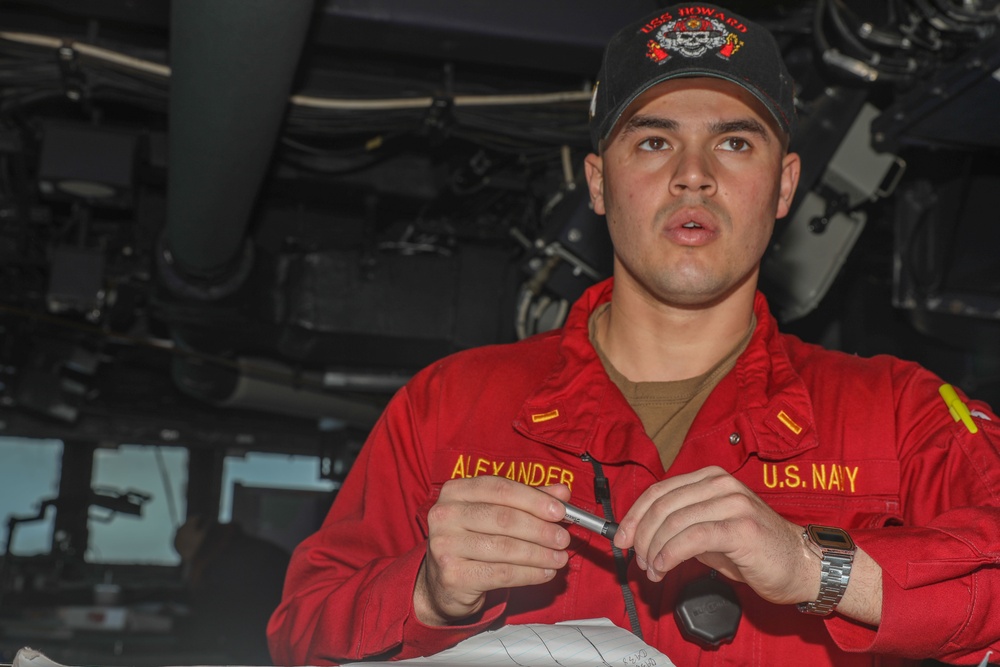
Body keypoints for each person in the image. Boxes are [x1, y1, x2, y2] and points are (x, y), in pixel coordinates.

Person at [267, 3, 1000, 666]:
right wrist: (425, 593)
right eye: (653, 142)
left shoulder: (902, 413)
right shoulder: (445, 406)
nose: (693, 176)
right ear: (596, 182)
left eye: (736, 144)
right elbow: (298, 630)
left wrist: (817, 567)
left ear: (784, 186)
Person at [174, 516, 290, 665]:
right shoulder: (244, 549)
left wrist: (164, 624)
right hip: (275, 644)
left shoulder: (224, 566)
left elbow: (207, 629)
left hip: (264, 650)